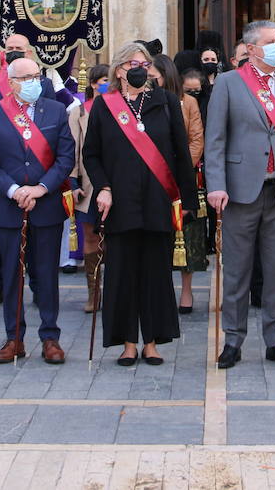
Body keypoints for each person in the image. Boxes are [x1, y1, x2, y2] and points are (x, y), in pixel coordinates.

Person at [83, 44, 197, 364]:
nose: (140, 68)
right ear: (119, 70)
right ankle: (128, 342)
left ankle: (153, 342)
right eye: (133, 63)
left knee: (155, 274)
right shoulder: (105, 106)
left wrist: (187, 199)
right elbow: (91, 154)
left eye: (144, 63)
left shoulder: (166, 102)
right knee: (121, 274)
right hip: (119, 203)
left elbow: (180, 152)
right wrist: (103, 187)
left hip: (158, 202)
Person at [205, 19, 275, 368]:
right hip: (239, 190)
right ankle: (233, 340)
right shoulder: (229, 84)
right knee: (236, 270)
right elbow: (215, 138)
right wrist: (215, 184)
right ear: (251, 50)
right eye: (272, 41)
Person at [0, 55, 76, 364]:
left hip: (45, 205)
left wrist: (40, 188)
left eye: (37, 76)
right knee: (11, 275)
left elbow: (65, 157)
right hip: (8, 207)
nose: (35, 82)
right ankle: (14, 338)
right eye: (26, 78)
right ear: (11, 82)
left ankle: (50, 337)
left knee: (46, 274)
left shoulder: (56, 111)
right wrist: (14, 190)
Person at [0, 33, 55, 309]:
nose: (13, 53)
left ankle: (36, 286)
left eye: (18, 49)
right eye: (9, 49)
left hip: (38, 181)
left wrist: (39, 187)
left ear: (29, 52)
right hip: (5, 181)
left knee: (39, 249)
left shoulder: (41, 85)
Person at [151, 55, 208, 313]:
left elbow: (196, 139)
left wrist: (180, 168)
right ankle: (160, 290)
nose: (151, 82)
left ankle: (186, 291)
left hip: (183, 177)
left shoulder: (188, 102)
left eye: (155, 77)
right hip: (154, 177)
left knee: (188, 236)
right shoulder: (145, 102)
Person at [68, 64, 109, 312]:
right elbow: (72, 148)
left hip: (115, 183)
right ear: (94, 84)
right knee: (91, 239)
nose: (107, 85)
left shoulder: (119, 108)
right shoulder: (80, 111)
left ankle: (115, 290)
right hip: (88, 184)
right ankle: (94, 293)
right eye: (103, 80)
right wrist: (73, 181)